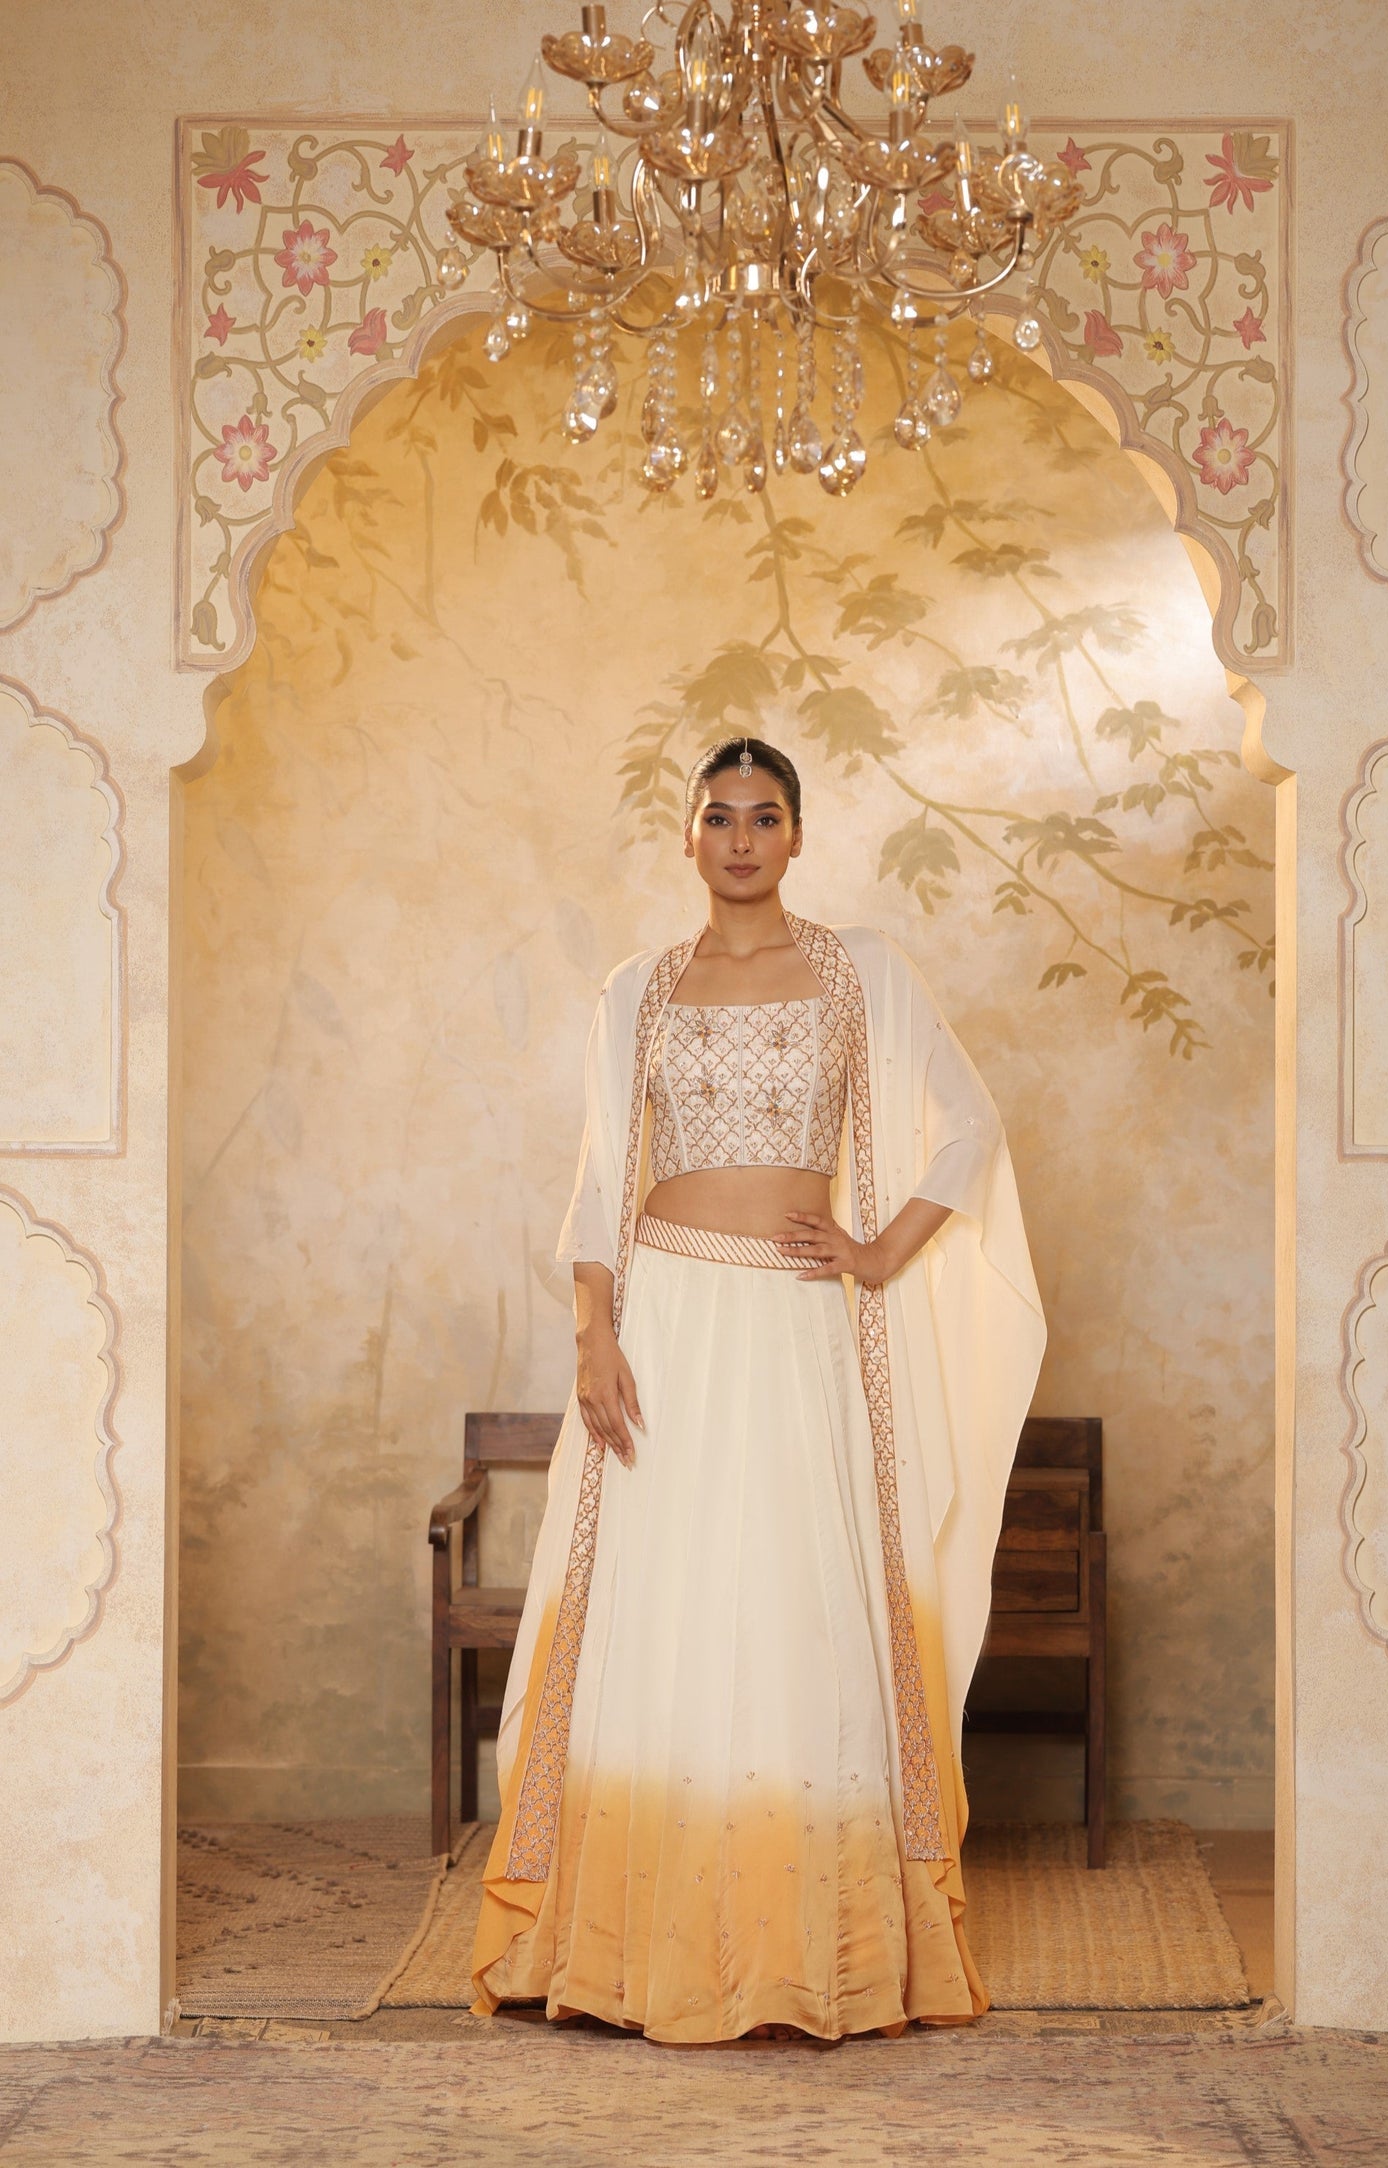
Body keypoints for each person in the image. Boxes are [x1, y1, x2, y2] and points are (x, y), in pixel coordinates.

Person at [471, 736, 1045, 2043]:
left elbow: (968, 1124)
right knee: (664, 1605)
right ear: (687, 838)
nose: (740, 836)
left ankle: (810, 1953)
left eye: (764, 815)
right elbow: (599, 1177)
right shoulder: (638, 989)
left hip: (794, 1326)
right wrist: (592, 1332)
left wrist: (877, 1252)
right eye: (717, 815)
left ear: (796, 836)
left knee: (793, 1601)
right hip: (665, 1318)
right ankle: (628, 1953)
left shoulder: (862, 975)